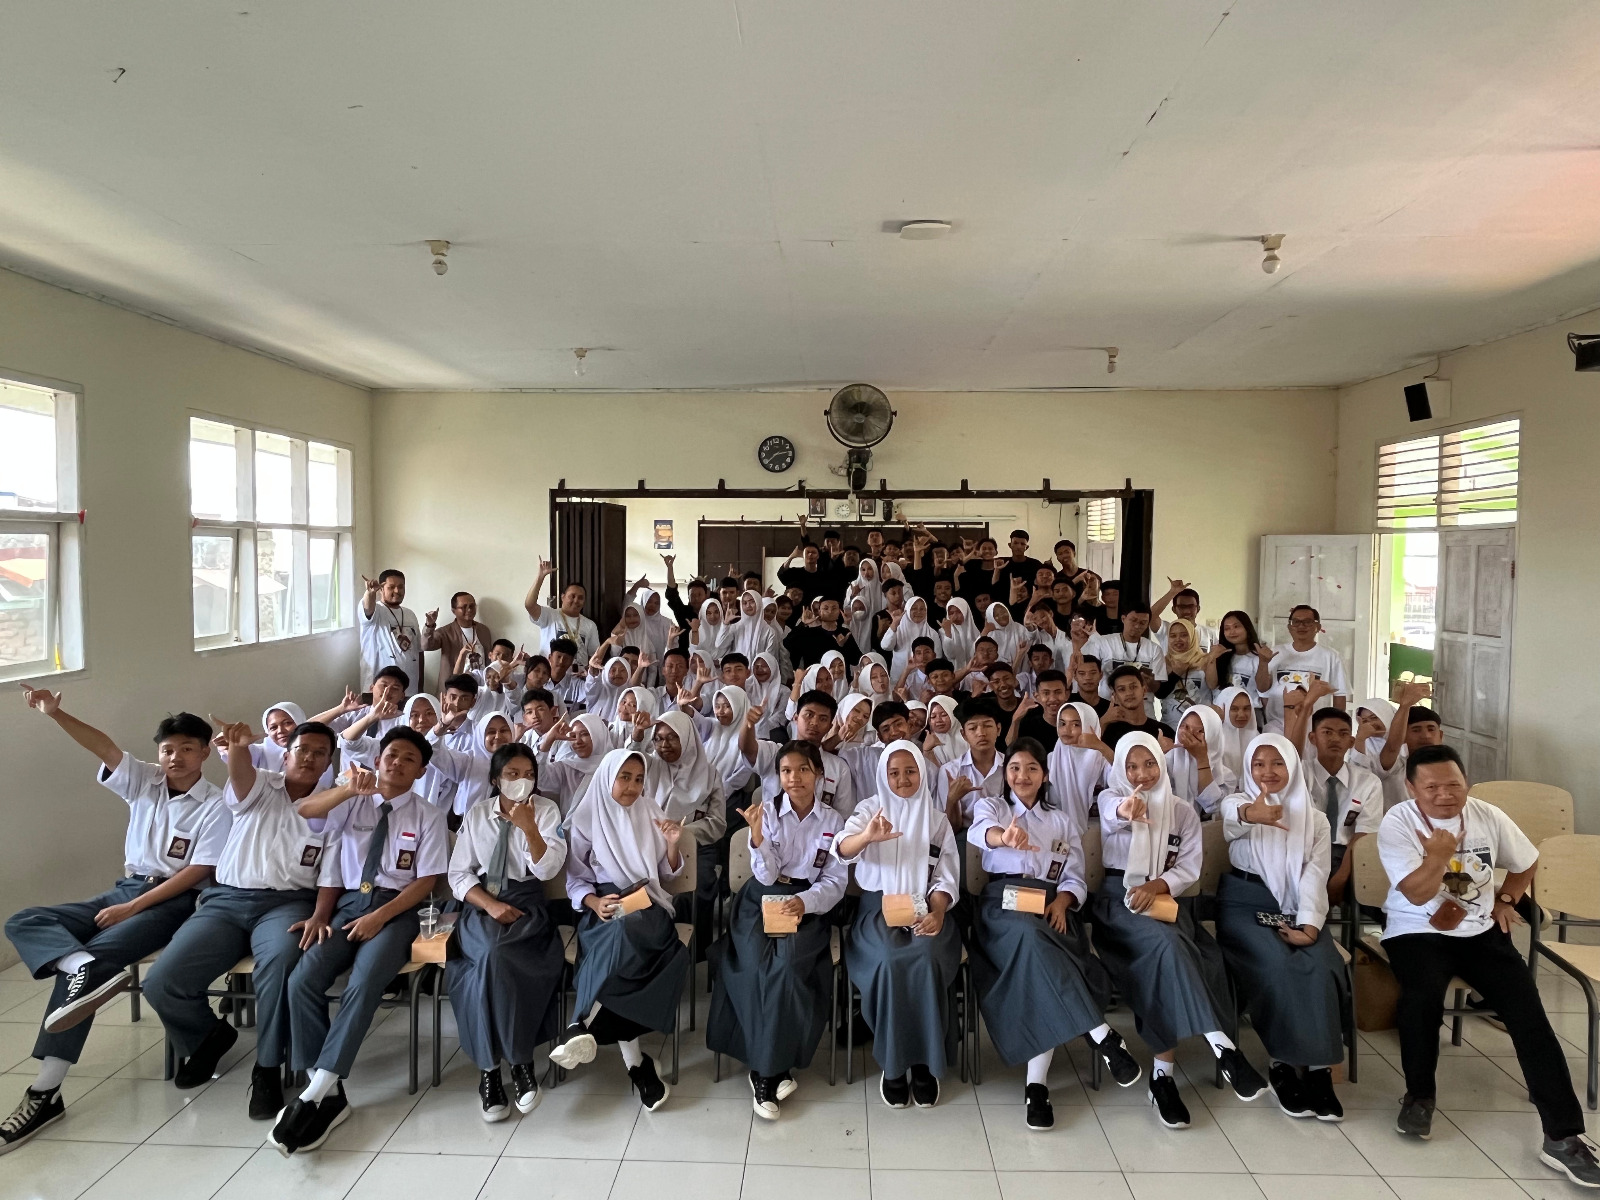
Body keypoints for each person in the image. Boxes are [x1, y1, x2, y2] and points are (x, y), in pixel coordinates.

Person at [1, 690, 230, 1153]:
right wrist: (56, 714)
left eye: (187, 748)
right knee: (25, 920)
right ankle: (77, 964)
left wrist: (133, 909)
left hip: (173, 900)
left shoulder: (217, 803)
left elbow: (198, 872)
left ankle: (45, 1092)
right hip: (124, 888)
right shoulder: (145, 781)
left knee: (97, 961)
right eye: (168, 749)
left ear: (205, 753)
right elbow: (103, 746)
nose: (176, 757)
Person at [1377, 745, 1600, 1185]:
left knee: (1529, 1016)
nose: (1445, 795)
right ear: (1412, 787)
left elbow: (1527, 861)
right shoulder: (1398, 822)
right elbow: (1417, 894)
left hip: (1480, 930)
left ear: (1467, 783)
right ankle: (1419, 1097)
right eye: (1432, 787)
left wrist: (1507, 899)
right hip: (1416, 930)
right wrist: (1437, 855)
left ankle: (1563, 1137)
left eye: (1453, 785)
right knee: (1420, 1002)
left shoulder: (1488, 815)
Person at [141, 719, 338, 1117]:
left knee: (279, 968)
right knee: (162, 981)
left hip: (288, 904)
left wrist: (320, 914)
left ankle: (267, 1068)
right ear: (286, 755)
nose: (309, 758)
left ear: (329, 762)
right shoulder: (260, 784)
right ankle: (208, 1037)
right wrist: (240, 747)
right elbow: (240, 773)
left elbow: (332, 871)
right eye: (302, 750)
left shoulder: (335, 805)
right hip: (227, 902)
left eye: (320, 753)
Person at [272, 727, 446, 1153]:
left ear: (421, 771)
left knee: (365, 982)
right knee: (302, 980)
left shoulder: (428, 815)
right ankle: (327, 1090)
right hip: (348, 903)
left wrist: (379, 917)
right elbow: (305, 811)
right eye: (391, 754)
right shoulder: (352, 800)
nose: (397, 762)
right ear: (377, 759)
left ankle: (314, 1093)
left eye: (409, 758)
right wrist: (347, 790)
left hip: (397, 910)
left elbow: (426, 881)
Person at [1093, 733, 1266, 1129]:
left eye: (1149, 764)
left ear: (1162, 763)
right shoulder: (1111, 797)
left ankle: (1163, 1076)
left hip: (1166, 902)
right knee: (1168, 947)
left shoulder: (1183, 811)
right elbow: (1116, 811)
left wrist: (1156, 886)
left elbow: (1188, 868)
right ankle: (1221, 1045)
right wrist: (1128, 808)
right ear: (1120, 769)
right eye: (1131, 766)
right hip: (1119, 903)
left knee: (1169, 954)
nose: (1141, 774)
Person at [969, 739, 1136, 1130]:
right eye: (1014, 768)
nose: (1022, 776)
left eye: (1031, 768)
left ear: (1044, 775)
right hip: (1003, 903)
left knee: (1035, 958)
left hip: (1050, 907)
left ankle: (1036, 1086)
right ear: (1006, 773)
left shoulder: (1061, 821)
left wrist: (1063, 902)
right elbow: (981, 832)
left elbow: (1074, 876)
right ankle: (1099, 1032)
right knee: (1029, 938)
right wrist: (1003, 838)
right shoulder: (993, 807)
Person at [706, 740, 849, 1120]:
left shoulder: (834, 822)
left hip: (808, 904)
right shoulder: (767, 812)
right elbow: (766, 876)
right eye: (786, 771)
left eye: (803, 769)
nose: (794, 778)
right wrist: (756, 836)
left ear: (818, 774)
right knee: (754, 965)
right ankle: (772, 1068)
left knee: (786, 967)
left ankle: (764, 1071)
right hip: (761, 898)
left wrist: (806, 902)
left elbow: (835, 881)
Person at [1217, 734, 1349, 1122]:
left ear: (1292, 766)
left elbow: (1315, 874)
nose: (1268, 772)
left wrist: (1309, 926)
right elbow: (1232, 819)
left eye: (1277, 763)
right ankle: (1283, 1065)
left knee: (1322, 964)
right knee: (1278, 963)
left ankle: (1320, 1071)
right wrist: (1252, 815)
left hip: (1298, 905)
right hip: (1245, 903)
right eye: (1259, 764)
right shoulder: (1238, 802)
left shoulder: (1316, 819)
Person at [549, 750, 690, 1111]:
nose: (632, 786)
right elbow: (575, 879)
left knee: (625, 933)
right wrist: (593, 902)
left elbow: (667, 874)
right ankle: (637, 1065)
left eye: (639, 779)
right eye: (624, 777)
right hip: (604, 904)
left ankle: (583, 1023)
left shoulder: (650, 811)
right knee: (618, 938)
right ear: (608, 777)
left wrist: (673, 844)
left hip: (647, 904)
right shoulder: (585, 818)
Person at [833, 742, 962, 1108]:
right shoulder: (869, 809)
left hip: (926, 907)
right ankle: (894, 1065)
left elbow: (946, 877)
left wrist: (938, 912)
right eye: (894, 773)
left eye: (910, 771)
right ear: (883, 776)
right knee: (889, 960)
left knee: (926, 956)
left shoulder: (936, 821)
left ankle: (923, 1063)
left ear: (922, 773)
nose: (903, 779)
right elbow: (841, 848)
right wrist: (867, 836)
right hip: (879, 908)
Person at [446, 743, 567, 1121]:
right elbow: (458, 874)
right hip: (483, 903)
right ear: (496, 779)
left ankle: (506, 1065)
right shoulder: (477, 814)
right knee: (489, 957)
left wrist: (529, 828)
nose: (521, 781)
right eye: (512, 774)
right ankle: (503, 1067)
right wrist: (489, 904)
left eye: (528, 774)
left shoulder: (545, 811)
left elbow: (548, 870)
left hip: (527, 904)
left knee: (493, 962)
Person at [1265, 605, 1349, 723]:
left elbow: (1339, 694)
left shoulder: (1331, 656)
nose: (1301, 626)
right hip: (1277, 723)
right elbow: (1263, 690)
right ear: (1289, 627)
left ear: (1318, 627)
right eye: (1296, 622)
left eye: (1307, 622)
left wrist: (1336, 725)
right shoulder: (1275, 652)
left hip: (1315, 725)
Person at [1083, 606, 1166, 717]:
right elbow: (1090, 673)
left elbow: (1158, 689)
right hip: (1109, 708)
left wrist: (1150, 682)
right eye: (1133, 620)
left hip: (1144, 711)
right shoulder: (1103, 643)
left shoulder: (1154, 649)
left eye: (1143, 623)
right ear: (1123, 619)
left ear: (1148, 624)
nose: (1137, 626)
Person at [524, 558, 601, 665]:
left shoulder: (590, 625)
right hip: (550, 672)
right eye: (572, 596)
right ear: (562, 597)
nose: (576, 601)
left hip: (578, 674)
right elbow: (529, 605)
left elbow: (594, 655)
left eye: (580, 598)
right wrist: (540, 577)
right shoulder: (549, 615)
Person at [359, 569, 423, 694]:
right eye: (391, 587)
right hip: (379, 688)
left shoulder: (410, 614)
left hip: (409, 688)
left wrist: (420, 684)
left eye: (401, 587)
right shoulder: (376, 610)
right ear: (381, 589)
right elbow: (367, 608)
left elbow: (419, 651)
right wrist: (370, 593)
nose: (397, 591)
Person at [1165, 704, 1235, 817]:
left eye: (1199, 731)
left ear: (1213, 735)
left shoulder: (1225, 776)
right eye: (1185, 726)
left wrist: (1202, 759)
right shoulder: (1164, 763)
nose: (1188, 734)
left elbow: (1213, 806)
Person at [1203, 610, 1274, 716]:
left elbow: (1263, 689)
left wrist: (1263, 662)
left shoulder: (1259, 657)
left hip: (1248, 714)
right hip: (1221, 713)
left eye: (1236, 626)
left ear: (1247, 627)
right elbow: (1212, 685)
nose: (1232, 632)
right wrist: (1212, 659)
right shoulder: (1221, 656)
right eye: (1227, 628)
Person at [422, 591, 493, 693]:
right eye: (463, 607)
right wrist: (429, 626)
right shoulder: (445, 632)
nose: (469, 610)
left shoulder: (484, 630)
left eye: (472, 606)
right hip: (454, 689)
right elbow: (426, 646)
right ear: (453, 610)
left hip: (481, 689)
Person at [1100, 666, 1175, 750]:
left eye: (1133, 687)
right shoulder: (1109, 733)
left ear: (1144, 690)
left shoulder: (1165, 732)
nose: (1129, 693)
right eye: (1122, 689)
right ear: (1115, 696)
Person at [1160, 617, 1212, 724]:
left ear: (1193, 636)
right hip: (1170, 725)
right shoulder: (1163, 662)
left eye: (1184, 635)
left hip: (1201, 725)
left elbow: (1214, 689)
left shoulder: (1206, 660)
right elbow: (1160, 693)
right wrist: (1175, 674)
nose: (1178, 639)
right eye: (1173, 636)